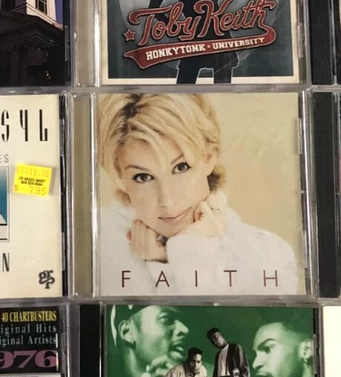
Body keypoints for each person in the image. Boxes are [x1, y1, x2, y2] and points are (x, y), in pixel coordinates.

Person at [97, 93, 299, 295]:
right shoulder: (98, 244)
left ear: (209, 158)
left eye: (181, 167)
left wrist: (185, 251)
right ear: (120, 177)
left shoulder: (269, 256)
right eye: (143, 177)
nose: (168, 200)